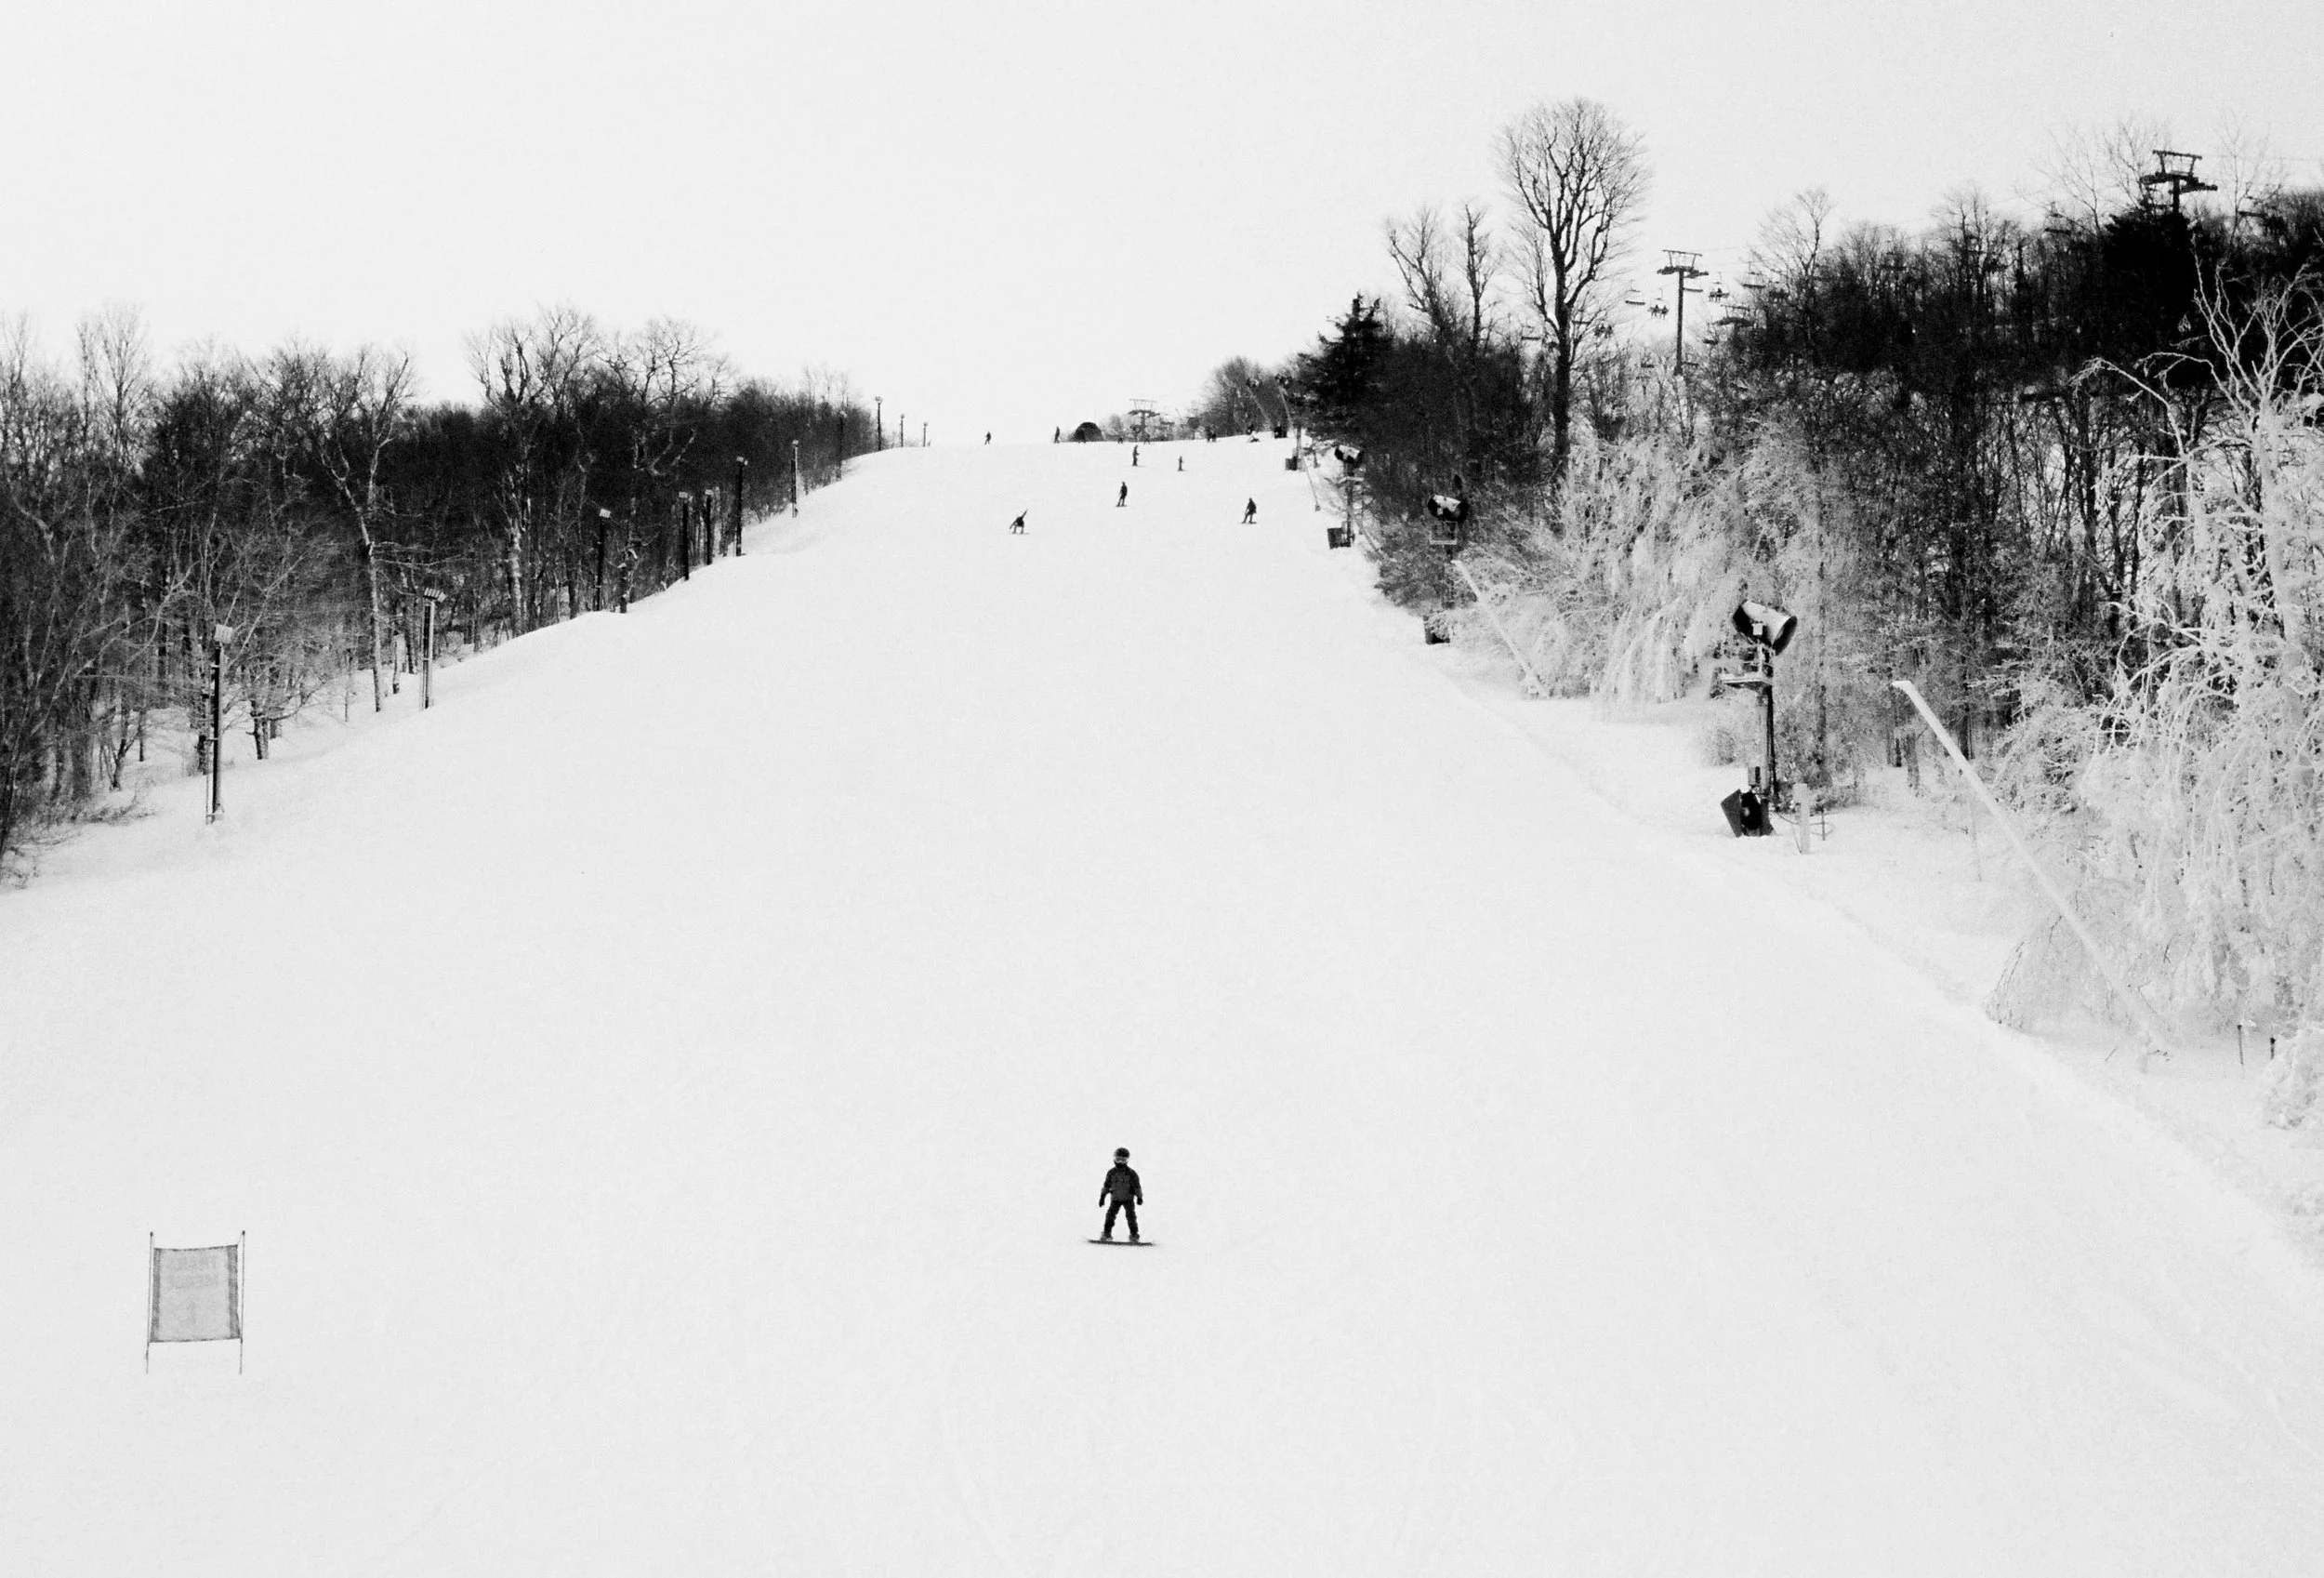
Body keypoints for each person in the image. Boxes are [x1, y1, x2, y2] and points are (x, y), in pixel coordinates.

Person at [1099, 1147, 1142, 1241]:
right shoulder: (1111, 1173)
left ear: (1127, 1160)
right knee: (1110, 1216)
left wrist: (1139, 1197)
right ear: (1114, 1159)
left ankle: (1134, 1235)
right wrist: (1102, 1196)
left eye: (1123, 1160)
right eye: (1118, 1159)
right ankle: (1107, 1234)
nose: (1120, 1162)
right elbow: (1106, 1185)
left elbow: (1137, 1186)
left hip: (1128, 1199)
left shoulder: (1131, 1173)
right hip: (1115, 1199)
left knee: (1131, 1216)